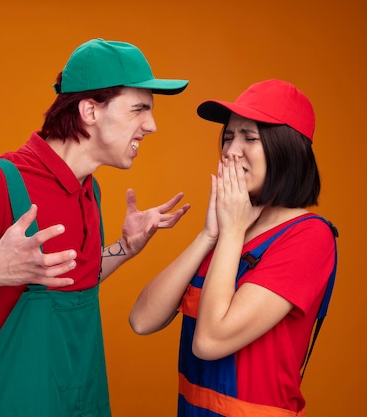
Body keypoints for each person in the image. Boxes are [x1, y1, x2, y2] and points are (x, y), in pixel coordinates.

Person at [0, 38, 190, 417]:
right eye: (139, 109)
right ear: (90, 110)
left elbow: (62, 284)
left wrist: (124, 247)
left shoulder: (89, 189)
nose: (152, 126)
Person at [129, 79, 338, 417]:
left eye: (249, 138)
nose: (231, 150)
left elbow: (210, 342)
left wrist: (231, 233)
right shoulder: (232, 229)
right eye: (228, 137)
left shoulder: (308, 237)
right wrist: (209, 236)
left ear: (288, 149)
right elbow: (142, 320)